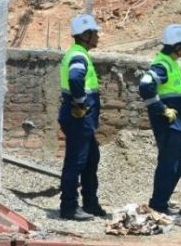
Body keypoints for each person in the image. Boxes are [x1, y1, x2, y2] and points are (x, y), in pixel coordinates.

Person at [138, 24, 181, 215]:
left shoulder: (171, 63)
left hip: (176, 123)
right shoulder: (161, 64)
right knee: (169, 165)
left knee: (176, 166)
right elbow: (145, 87)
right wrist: (162, 109)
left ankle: (161, 201)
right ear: (177, 45)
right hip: (169, 123)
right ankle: (158, 205)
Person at [57, 14, 107, 221]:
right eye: (95, 33)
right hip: (79, 117)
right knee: (76, 161)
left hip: (82, 118)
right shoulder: (78, 56)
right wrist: (80, 102)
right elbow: (75, 78)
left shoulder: (80, 53)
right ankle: (69, 207)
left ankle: (90, 203)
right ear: (86, 34)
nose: (98, 36)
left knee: (90, 159)